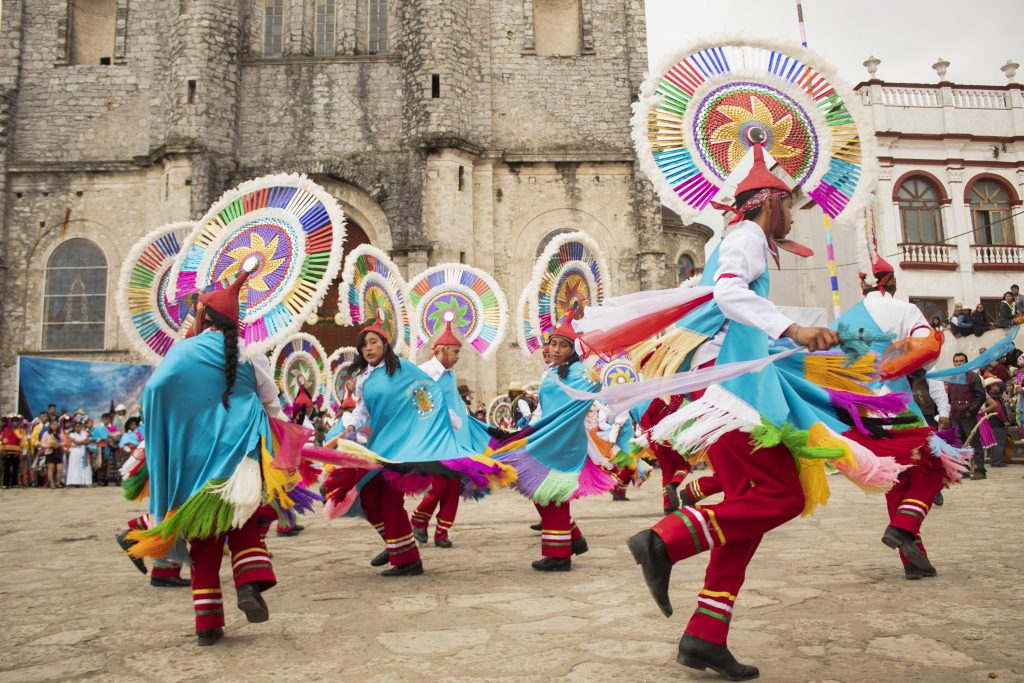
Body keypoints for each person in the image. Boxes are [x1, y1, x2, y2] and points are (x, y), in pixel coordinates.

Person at [576, 143, 907, 679]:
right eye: (790, 205)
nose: (794, 216)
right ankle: (665, 540)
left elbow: (732, 308)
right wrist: (792, 328)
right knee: (782, 496)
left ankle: (706, 634)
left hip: (735, 390)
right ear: (769, 202)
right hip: (737, 397)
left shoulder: (741, 238)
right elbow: (729, 293)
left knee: (747, 509)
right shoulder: (747, 236)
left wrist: (791, 336)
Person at [122, 268, 300, 646]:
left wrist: (169, 428)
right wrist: (289, 447)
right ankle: (250, 585)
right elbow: (272, 406)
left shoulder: (185, 351)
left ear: (204, 316)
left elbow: (155, 390)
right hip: (241, 462)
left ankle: (207, 624)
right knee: (243, 522)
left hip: (196, 464)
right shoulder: (252, 357)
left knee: (204, 537)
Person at [321, 312, 512, 576]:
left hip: (403, 445)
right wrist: (351, 427)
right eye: (364, 344)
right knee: (368, 496)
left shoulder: (402, 368)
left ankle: (406, 557)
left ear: (385, 344)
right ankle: (398, 544)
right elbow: (362, 410)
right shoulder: (364, 378)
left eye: (374, 341)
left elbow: (428, 394)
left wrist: (436, 429)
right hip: (378, 445)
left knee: (388, 498)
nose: (368, 348)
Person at [834, 254, 954, 580]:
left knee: (897, 482)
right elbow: (929, 355)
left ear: (863, 285)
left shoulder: (844, 322)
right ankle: (904, 526)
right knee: (936, 466)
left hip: (860, 415)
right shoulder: (906, 311)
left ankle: (914, 558)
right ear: (890, 281)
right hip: (898, 407)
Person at [490, 315, 609, 571]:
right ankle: (573, 539)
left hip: (563, 441)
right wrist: (526, 432)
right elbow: (544, 410)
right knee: (536, 486)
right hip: (544, 436)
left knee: (551, 492)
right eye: (553, 344)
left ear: (573, 349)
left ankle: (559, 556)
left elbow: (598, 382)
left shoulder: (582, 373)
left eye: (562, 345)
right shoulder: (552, 373)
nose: (555, 350)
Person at [411, 315, 492, 549]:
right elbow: (420, 404)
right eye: (456, 352)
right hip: (436, 438)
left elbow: (454, 401)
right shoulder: (424, 372)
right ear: (443, 350)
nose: (458, 358)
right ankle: (419, 519)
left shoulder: (451, 374)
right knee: (439, 485)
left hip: (457, 438)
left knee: (453, 486)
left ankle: (442, 532)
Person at [946, 352, 987, 480]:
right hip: (955, 416)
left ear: (966, 362)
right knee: (959, 444)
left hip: (968, 416)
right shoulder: (951, 378)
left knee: (974, 442)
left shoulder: (973, 376)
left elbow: (981, 396)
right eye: (956, 361)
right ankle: (964, 469)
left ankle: (980, 470)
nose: (958, 363)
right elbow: (949, 397)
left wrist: (971, 410)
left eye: (961, 361)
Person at [980, 377, 1009, 468]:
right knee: (999, 442)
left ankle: (995, 461)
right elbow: (999, 410)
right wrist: (1005, 421)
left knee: (995, 443)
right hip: (996, 422)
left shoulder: (989, 396)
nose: (998, 387)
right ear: (992, 386)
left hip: (990, 422)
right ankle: (998, 462)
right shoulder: (994, 397)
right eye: (996, 385)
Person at [65, 417, 93, 487]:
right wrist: (84, 442)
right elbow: (76, 443)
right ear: (74, 428)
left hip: (84, 452)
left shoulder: (84, 433)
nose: (78, 428)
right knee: (76, 467)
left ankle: (86, 482)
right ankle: (75, 482)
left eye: (80, 426)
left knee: (86, 467)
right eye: (77, 427)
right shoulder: (71, 434)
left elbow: (89, 440)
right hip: (75, 453)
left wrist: (81, 442)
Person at [40, 419, 63, 488]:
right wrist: (49, 445)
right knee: (51, 467)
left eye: (56, 424)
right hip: (50, 452)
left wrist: (58, 444)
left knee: (60, 468)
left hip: (58, 452)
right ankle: (51, 483)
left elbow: (64, 441)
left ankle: (58, 482)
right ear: (50, 425)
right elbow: (42, 443)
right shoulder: (46, 433)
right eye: (53, 424)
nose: (55, 426)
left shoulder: (59, 433)